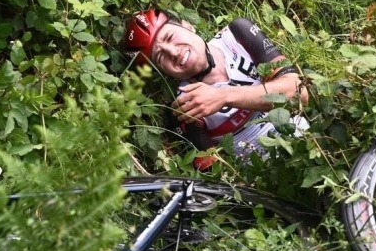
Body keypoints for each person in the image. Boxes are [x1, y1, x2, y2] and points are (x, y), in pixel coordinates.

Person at [124, 9, 309, 170]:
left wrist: (223, 96)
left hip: (309, 142)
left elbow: (300, 94)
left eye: (170, 37)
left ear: (187, 25)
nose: (173, 52)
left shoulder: (238, 35)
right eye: (160, 56)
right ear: (162, 71)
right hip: (265, 176)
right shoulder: (184, 106)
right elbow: (219, 175)